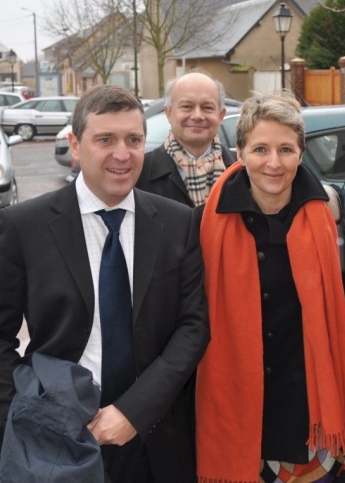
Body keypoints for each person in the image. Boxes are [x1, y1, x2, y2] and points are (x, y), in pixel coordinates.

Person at [0, 84, 210, 483]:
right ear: (75, 146)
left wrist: (135, 411)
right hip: (54, 440)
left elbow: (193, 326)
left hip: (156, 435)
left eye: (133, 140)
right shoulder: (23, 226)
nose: (121, 154)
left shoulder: (178, 222)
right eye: (105, 140)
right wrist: (23, 415)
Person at [195, 90, 345, 482]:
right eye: (260, 149)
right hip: (238, 397)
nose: (273, 163)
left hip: (309, 396)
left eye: (286, 149)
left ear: (300, 152)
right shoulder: (204, 223)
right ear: (239, 153)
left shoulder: (325, 212)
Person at [136, 70, 235, 207]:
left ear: (221, 115)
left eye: (207, 107)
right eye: (187, 107)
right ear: (169, 113)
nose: (197, 116)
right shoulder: (139, 174)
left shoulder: (243, 171)